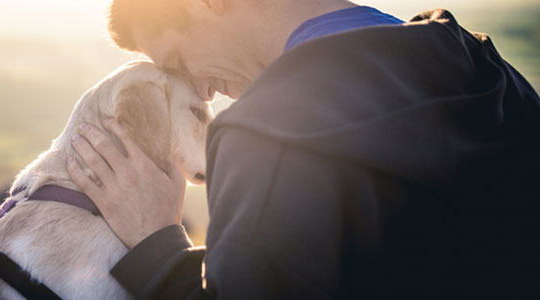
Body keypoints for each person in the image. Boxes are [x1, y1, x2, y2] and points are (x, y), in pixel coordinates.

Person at [65, 0, 540, 299]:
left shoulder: (265, 137)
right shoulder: (487, 71)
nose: (202, 91)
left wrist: (157, 250)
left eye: (179, 60)